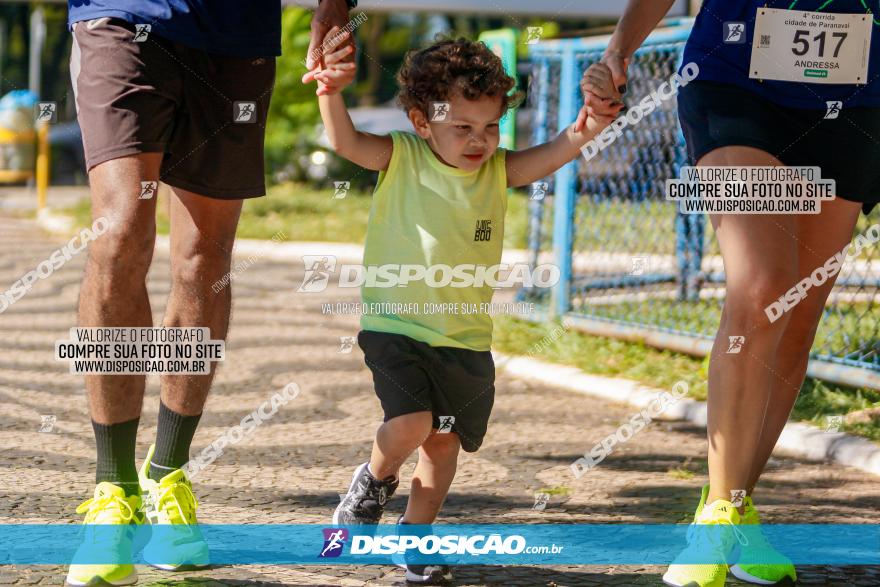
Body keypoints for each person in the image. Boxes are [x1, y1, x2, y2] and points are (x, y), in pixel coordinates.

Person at [582, 1, 880, 586]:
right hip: (736, 83)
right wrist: (619, 49)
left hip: (859, 94)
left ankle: (736, 504)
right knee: (765, 285)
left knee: (797, 318)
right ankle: (715, 522)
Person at [313, 28, 619, 585]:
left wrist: (590, 126)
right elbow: (347, 143)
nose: (478, 141)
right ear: (421, 121)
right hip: (396, 327)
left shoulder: (499, 171)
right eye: (461, 127)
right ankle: (372, 484)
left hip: (465, 339)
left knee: (444, 441)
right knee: (410, 423)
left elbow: (560, 149)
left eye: (490, 126)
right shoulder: (401, 157)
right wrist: (329, 92)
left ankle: (416, 539)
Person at [62, 0, 298, 583]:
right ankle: (112, 494)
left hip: (236, 33)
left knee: (204, 257)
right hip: (119, 15)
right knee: (118, 234)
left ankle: (167, 473)